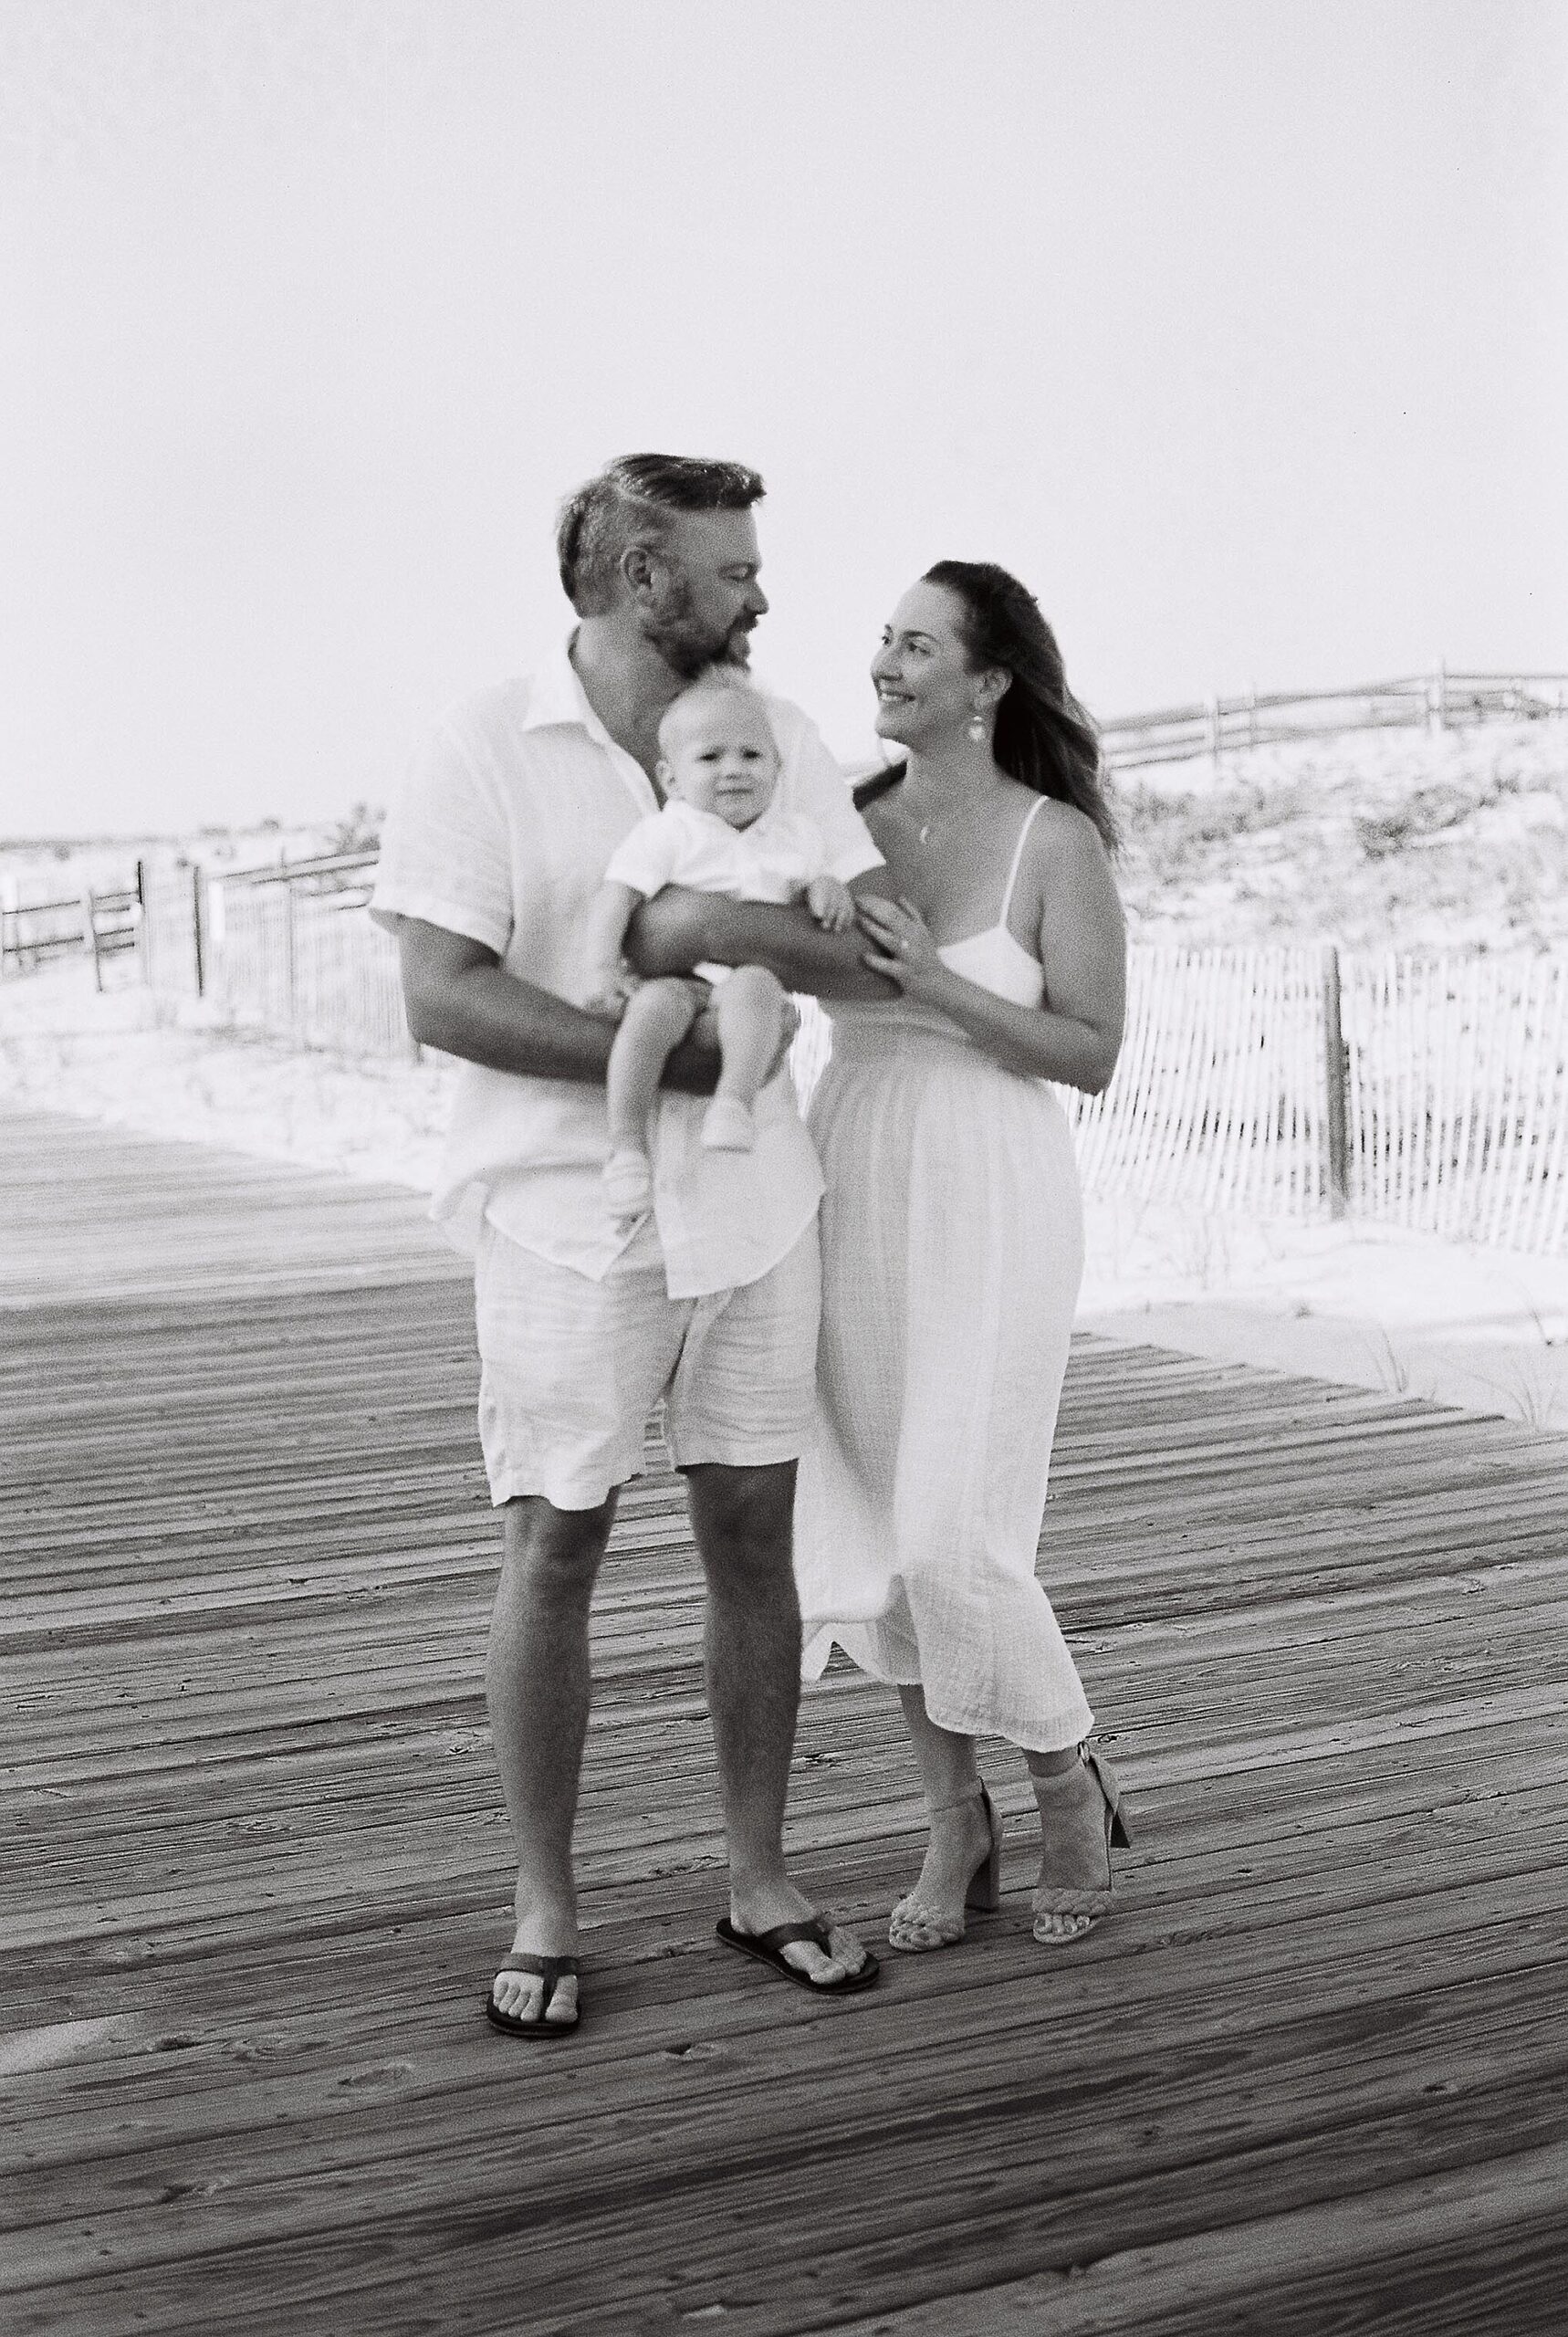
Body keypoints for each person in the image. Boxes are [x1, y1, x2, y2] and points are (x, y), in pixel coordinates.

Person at [370, 453, 885, 2034]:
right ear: (638, 576)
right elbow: (439, 995)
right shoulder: (477, 744)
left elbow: (845, 948)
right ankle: (544, 1905)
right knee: (558, 1541)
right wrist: (662, 1049)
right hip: (557, 1209)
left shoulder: (775, 732)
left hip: (752, 1201)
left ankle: (757, 1874)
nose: (761, 599)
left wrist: (676, 935)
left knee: (753, 1537)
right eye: (731, 572)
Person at [790, 560, 1134, 1953]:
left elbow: (1092, 1052)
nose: (884, 662)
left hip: (990, 1180)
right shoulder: (843, 824)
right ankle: (952, 1817)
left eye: (916, 645)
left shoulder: (1054, 842)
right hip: (850, 1165)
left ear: (988, 682)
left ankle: (1061, 1775)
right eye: (881, 639)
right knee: (871, 1533)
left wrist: (930, 979)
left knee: (955, 1523)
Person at [577, 670, 855, 1226]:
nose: (733, 769)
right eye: (710, 759)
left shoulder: (795, 835)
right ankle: (626, 1146)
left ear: (778, 768)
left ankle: (733, 1103)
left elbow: (812, 883)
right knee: (651, 1012)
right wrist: (602, 967)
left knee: (757, 987)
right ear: (672, 778)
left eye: (752, 755)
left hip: (743, 985)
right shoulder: (670, 832)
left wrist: (828, 889)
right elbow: (618, 896)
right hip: (675, 982)